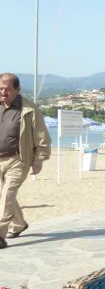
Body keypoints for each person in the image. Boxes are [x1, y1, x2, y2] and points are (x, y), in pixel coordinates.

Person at [0, 73, 51, 249]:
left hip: (18, 159)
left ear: (18, 89)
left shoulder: (29, 109)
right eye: (0, 88)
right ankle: (20, 224)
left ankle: (0, 234)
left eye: (7, 89)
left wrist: (39, 159)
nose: (3, 92)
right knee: (4, 196)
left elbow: (42, 137)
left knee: (8, 194)